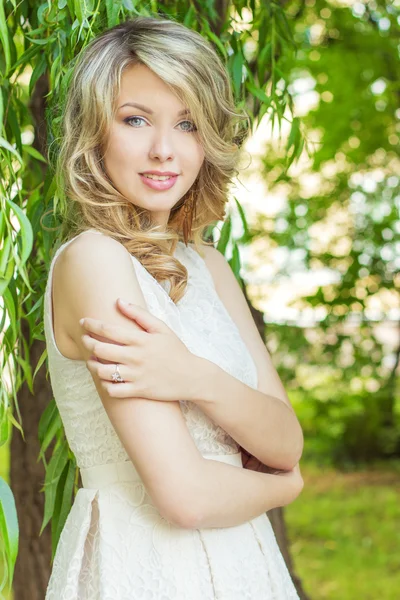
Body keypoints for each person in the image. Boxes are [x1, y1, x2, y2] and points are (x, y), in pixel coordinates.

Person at [43, 15, 304, 599]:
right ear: (94, 132)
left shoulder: (208, 266)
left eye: (187, 124)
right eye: (136, 120)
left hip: (247, 566)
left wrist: (193, 375)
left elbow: (286, 439)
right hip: (149, 565)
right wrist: (285, 488)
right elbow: (185, 496)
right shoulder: (94, 260)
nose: (164, 150)